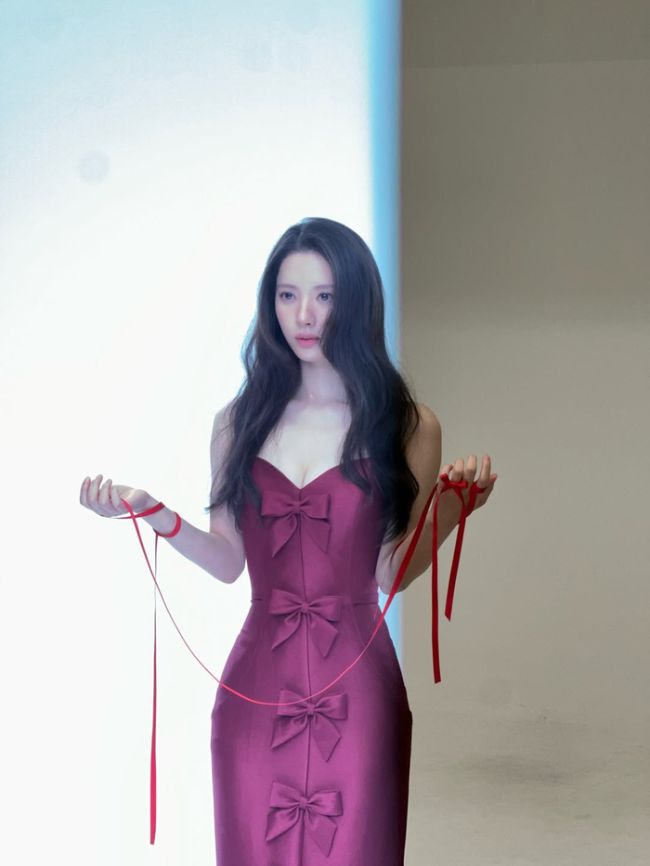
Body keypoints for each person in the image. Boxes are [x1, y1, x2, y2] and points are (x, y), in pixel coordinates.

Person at [80, 216, 497, 865]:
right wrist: (150, 511)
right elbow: (228, 562)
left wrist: (450, 512)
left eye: (324, 295)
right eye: (287, 294)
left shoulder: (409, 425)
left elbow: (390, 573)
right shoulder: (237, 422)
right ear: (269, 303)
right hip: (255, 692)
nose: (304, 314)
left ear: (355, 301)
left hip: (359, 693)